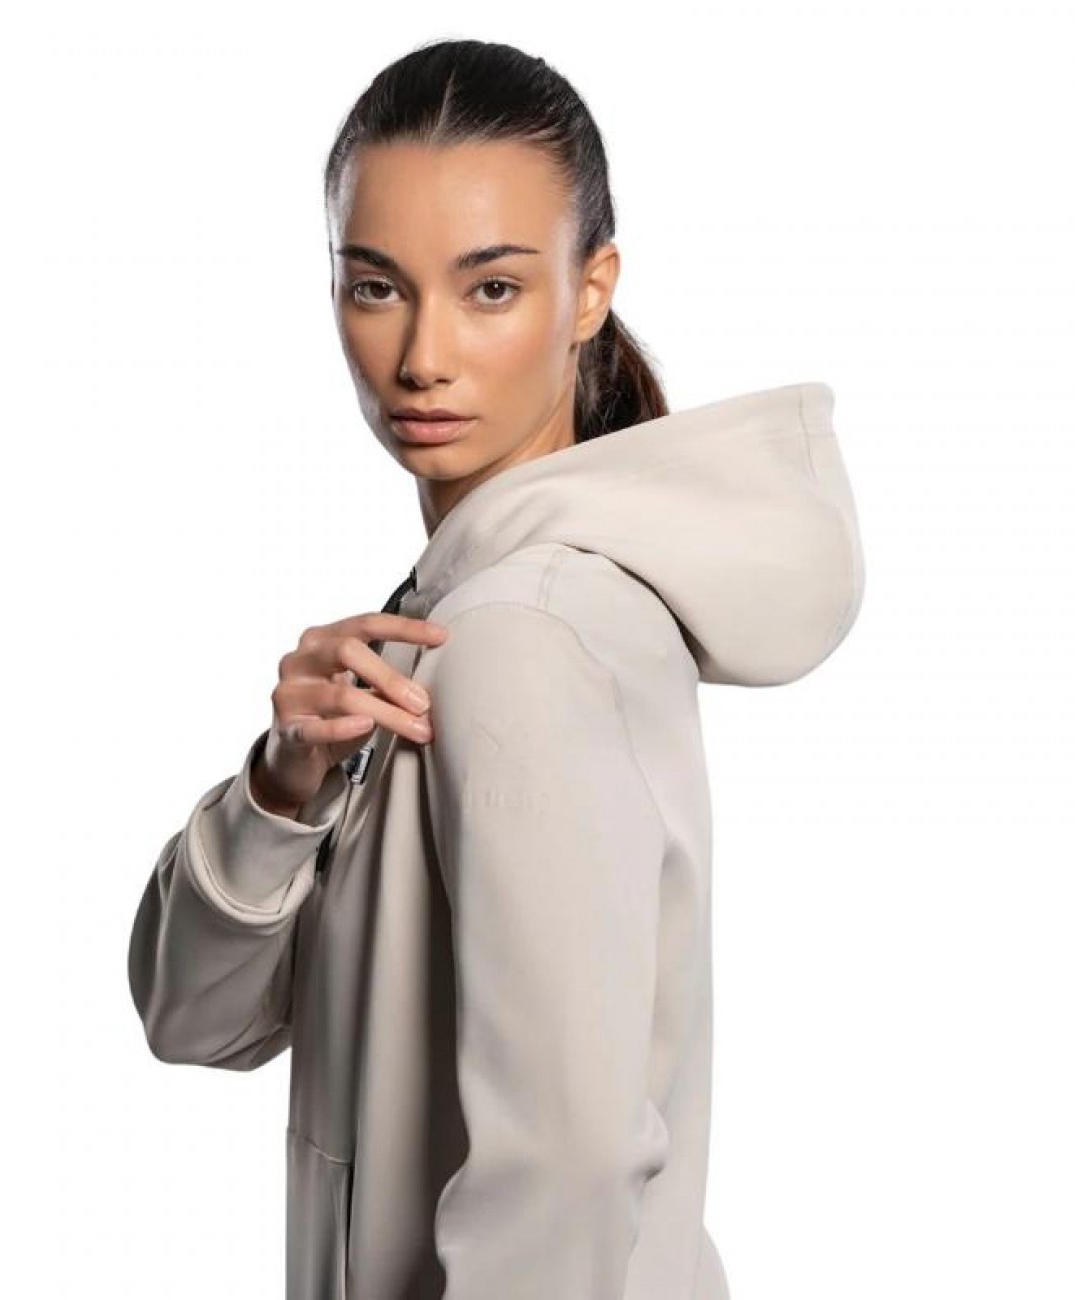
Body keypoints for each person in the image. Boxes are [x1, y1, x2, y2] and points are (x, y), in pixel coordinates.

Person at [127, 37, 865, 1300]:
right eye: (376, 286)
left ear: (589, 291)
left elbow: (566, 1170)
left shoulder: (527, 632)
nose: (422, 355)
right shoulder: (446, 619)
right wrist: (280, 792)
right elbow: (195, 1018)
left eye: (491, 288)